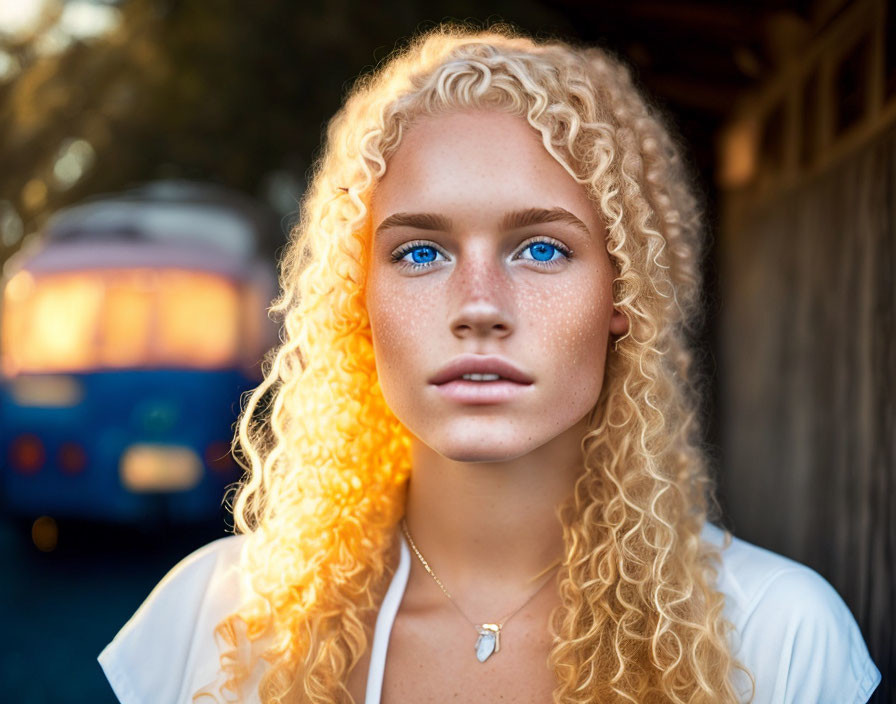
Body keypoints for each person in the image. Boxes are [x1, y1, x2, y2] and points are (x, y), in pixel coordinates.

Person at [98, 24, 882, 704]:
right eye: (420, 251)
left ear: (622, 293)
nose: (478, 304)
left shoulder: (777, 639)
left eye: (542, 248)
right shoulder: (220, 621)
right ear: (357, 300)